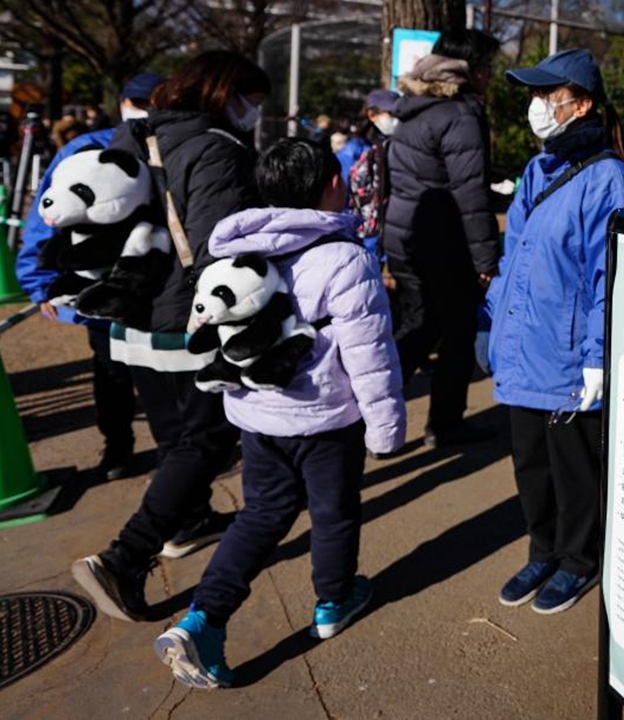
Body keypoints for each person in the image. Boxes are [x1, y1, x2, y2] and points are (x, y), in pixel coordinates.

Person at [153, 138, 406, 689]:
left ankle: (204, 617)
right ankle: (333, 602)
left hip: (256, 414)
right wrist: (385, 431)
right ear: (329, 187)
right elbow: (370, 352)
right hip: (325, 418)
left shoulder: (235, 251)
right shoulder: (344, 257)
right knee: (333, 511)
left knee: (261, 513)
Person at [71, 51, 269, 622]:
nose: (252, 113)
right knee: (205, 441)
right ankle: (124, 558)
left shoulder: (137, 138)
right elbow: (220, 242)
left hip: (134, 316)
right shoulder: (215, 147)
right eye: (251, 102)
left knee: (174, 433)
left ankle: (189, 521)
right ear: (223, 93)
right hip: (188, 316)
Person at [485, 49, 624, 614]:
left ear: (582, 105)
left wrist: (601, 356)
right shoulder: (536, 170)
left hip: (571, 357)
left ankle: (579, 560)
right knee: (530, 466)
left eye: (547, 96)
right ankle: (542, 549)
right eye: (534, 95)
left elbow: (614, 278)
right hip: (524, 352)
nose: (536, 107)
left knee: (575, 470)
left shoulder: (608, 178)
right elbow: (512, 260)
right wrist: (493, 324)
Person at [15, 72, 163, 481]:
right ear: (123, 104)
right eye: (139, 102)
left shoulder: (169, 147)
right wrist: (41, 282)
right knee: (110, 368)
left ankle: (174, 456)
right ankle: (118, 448)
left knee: (159, 375)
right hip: (97, 283)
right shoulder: (86, 150)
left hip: (155, 283)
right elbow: (45, 218)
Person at [384, 29, 500, 448]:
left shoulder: (415, 108)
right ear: (469, 68)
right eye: (488, 65)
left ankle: (373, 413)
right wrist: (487, 259)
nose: (490, 74)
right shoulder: (460, 113)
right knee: (457, 331)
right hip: (443, 244)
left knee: (419, 324)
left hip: (406, 236)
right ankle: (445, 423)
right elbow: (470, 195)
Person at [348, 89, 400, 259]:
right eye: (391, 113)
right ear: (372, 114)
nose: (396, 118)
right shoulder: (354, 151)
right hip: (363, 239)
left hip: (389, 237)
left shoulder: (394, 145)